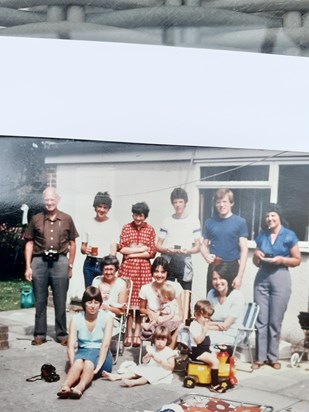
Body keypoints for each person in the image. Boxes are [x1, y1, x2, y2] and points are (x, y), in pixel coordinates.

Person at [24, 187, 79, 346]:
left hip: (60, 261)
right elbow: (29, 243)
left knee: (60, 299)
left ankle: (62, 334)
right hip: (39, 261)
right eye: (46, 200)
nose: (49, 203)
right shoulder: (36, 219)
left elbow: (72, 243)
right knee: (40, 300)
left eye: (52, 199)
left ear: (58, 199)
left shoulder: (67, 219)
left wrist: (70, 265)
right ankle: (40, 334)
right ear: (43, 200)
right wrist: (28, 266)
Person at [252, 203, 301, 370]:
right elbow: (255, 262)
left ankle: (273, 357)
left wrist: (282, 260)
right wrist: (257, 256)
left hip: (281, 276)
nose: (269, 219)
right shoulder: (262, 235)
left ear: (279, 217)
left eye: (272, 215)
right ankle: (259, 358)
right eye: (267, 216)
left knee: (275, 320)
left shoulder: (289, 235)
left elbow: (297, 260)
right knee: (261, 320)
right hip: (262, 278)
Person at [57, 286, 113, 399]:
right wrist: (74, 366)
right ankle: (65, 386)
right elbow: (71, 346)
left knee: (88, 363)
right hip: (83, 352)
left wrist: (97, 368)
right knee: (78, 363)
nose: (92, 306)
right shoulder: (76, 318)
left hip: (101, 354)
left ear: (100, 304)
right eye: (89, 302)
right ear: (84, 303)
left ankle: (80, 387)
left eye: (96, 302)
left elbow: (105, 345)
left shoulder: (107, 318)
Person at [118, 202, 156, 348]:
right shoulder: (126, 228)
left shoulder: (150, 230)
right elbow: (122, 249)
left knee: (140, 303)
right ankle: (128, 334)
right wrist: (142, 249)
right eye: (135, 214)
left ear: (145, 216)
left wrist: (132, 251)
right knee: (127, 302)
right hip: (128, 269)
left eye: (140, 215)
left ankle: (137, 334)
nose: (138, 218)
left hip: (143, 270)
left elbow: (151, 252)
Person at [200, 188, 248, 293]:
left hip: (232, 267)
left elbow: (244, 250)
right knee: (211, 302)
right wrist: (206, 255)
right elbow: (203, 245)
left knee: (231, 302)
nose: (221, 205)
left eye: (224, 201)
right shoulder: (209, 222)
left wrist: (239, 276)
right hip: (215, 266)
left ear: (231, 203)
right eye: (218, 202)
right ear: (215, 204)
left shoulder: (240, 222)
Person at [156, 187, 201, 291]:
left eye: (180, 202)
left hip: (184, 262)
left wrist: (187, 251)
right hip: (168, 260)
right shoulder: (166, 221)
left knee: (185, 295)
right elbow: (158, 245)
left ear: (185, 203)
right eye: (175, 202)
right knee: (166, 294)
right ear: (172, 204)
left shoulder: (193, 221)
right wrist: (167, 250)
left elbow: (198, 246)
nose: (178, 205)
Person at [102, 325, 176, 387]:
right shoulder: (152, 349)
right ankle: (116, 377)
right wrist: (147, 358)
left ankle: (134, 382)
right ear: (154, 339)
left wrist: (160, 362)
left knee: (147, 376)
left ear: (167, 340)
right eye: (158, 339)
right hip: (150, 368)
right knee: (136, 371)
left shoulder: (168, 351)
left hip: (162, 370)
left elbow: (171, 367)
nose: (160, 342)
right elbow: (144, 361)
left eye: (163, 339)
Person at [140, 256, 184, 347]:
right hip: (155, 321)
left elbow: (180, 312)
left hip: (171, 321)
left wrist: (172, 319)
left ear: (167, 272)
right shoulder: (146, 288)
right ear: (152, 272)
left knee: (180, 327)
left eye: (163, 272)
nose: (159, 275)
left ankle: (166, 354)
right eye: (156, 271)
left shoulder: (174, 287)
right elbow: (141, 308)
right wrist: (148, 312)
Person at [80, 192, 120, 288]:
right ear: (95, 206)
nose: (102, 210)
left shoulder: (113, 224)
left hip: (105, 264)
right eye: (99, 206)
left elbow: (113, 249)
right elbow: (82, 248)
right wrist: (85, 250)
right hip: (90, 263)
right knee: (90, 293)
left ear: (108, 209)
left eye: (105, 207)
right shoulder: (87, 223)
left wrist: (110, 266)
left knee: (105, 294)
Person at [189, 300, 225, 393]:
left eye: (209, 317)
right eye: (205, 317)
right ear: (196, 314)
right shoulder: (194, 325)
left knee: (217, 355)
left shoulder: (201, 322)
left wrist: (216, 323)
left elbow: (208, 324)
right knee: (215, 362)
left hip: (204, 349)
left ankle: (211, 375)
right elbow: (198, 341)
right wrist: (204, 331)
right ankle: (214, 384)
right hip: (198, 351)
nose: (207, 320)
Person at [206, 263, 245, 346]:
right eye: (214, 279)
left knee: (200, 338)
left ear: (228, 279)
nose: (218, 282)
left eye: (221, 278)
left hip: (231, 334)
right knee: (186, 333)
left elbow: (225, 326)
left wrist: (203, 327)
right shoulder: (211, 294)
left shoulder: (237, 296)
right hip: (213, 331)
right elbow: (206, 319)